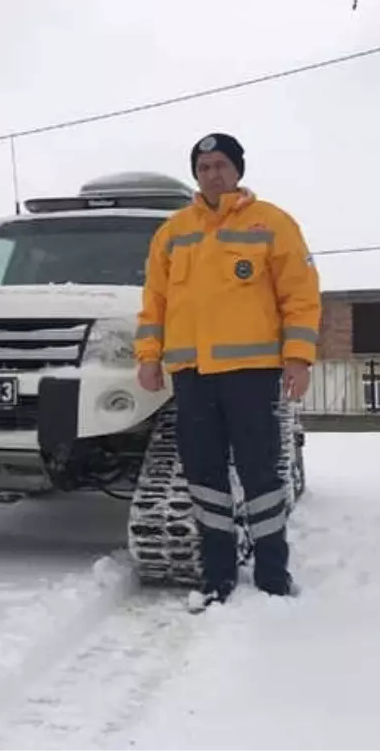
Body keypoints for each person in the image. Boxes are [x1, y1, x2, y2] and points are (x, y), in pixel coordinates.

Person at [134, 132, 322, 610]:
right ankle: (217, 575)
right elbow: (153, 302)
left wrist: (298, 358)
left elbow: (299, 297)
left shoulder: (272, 224)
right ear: (195, 176)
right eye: (203, 167)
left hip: (252, 373)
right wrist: (149, 357)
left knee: (260, 475)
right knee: (203, 476)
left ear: (238, 170)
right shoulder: (173, 233)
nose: (212, 174)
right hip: (192, 375)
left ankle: (272, 574)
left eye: (220, 165)